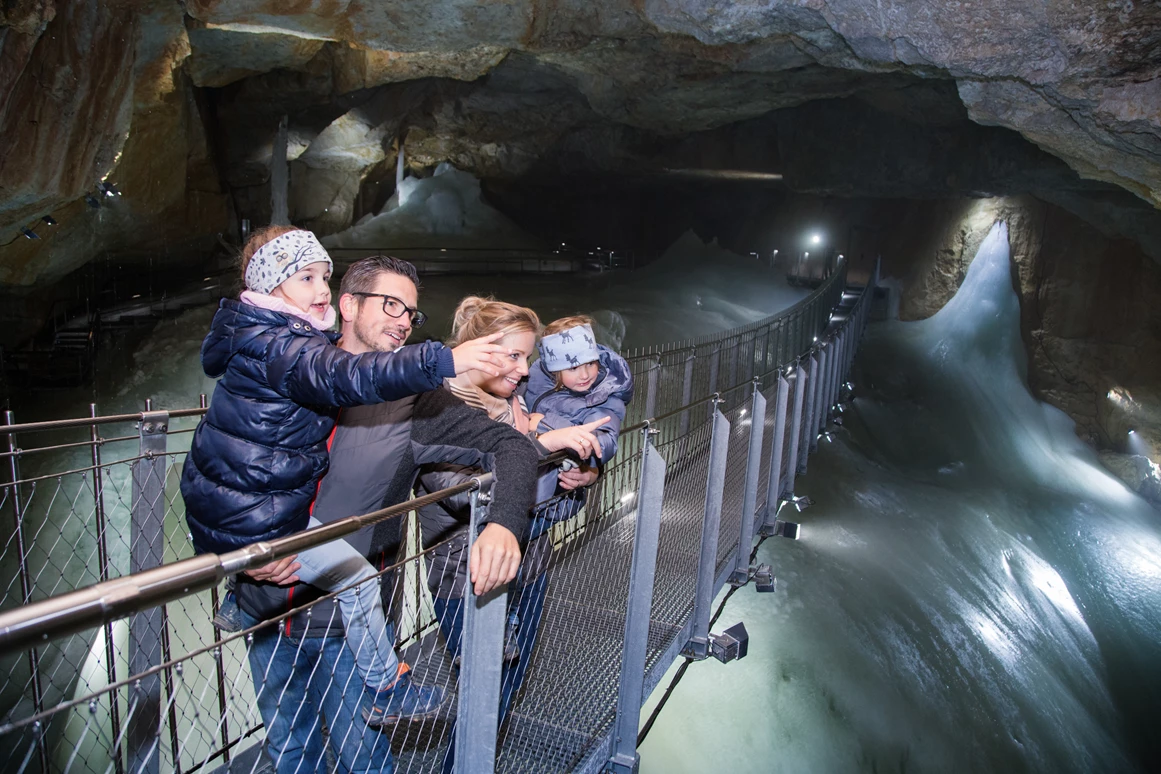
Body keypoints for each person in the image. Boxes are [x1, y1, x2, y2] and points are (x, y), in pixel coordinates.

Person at [180, 226, 515, 725]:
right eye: (306, 278)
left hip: (251, 514)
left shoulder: (271, 339)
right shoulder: (287, 348)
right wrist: (443, 359)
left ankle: (238, 598)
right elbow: (349, 376)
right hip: (260, 528)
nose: (321, 289)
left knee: (312, 736)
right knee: (355, 581)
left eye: (325, 276)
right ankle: (385, 683)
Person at [232, 256, 543, 773]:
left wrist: (504, 524)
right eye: (391, 305)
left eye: (411, 313)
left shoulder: (417, 403)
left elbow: (512, 448)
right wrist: (245, 552)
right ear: (348, 305)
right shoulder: (288, 367)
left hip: (349, 626)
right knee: (290, 748)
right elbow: (224, 467)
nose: (403, 321)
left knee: (364, 757)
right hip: (265, 605)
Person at [415, 297, 607, 772]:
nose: (525, 370)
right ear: (479, 348)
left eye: (527, 357)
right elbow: (462, 493)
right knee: (483, 685)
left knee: (509, 678)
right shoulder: (439, 402)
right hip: (467, 574)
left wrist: (582, 474)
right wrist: (544, 447)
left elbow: (542, 483)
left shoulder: (515, 398)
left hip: (530, 559)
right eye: (515, 356)